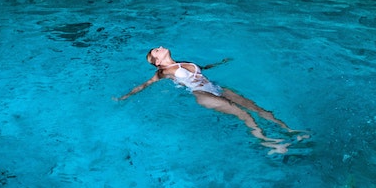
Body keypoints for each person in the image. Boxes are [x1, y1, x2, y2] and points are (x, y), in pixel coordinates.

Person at [118, 46, 307, 154]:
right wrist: (125, 96)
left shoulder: (183, 62)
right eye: (155, 51)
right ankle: (269, 142)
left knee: (258, 108)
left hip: (215, 87)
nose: (159, 48)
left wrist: (222, 62)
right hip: (202, 94)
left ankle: (290, 131)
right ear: (157, 62)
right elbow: (145, 85)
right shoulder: (163, 72)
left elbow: (203, 68)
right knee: (243, 114)